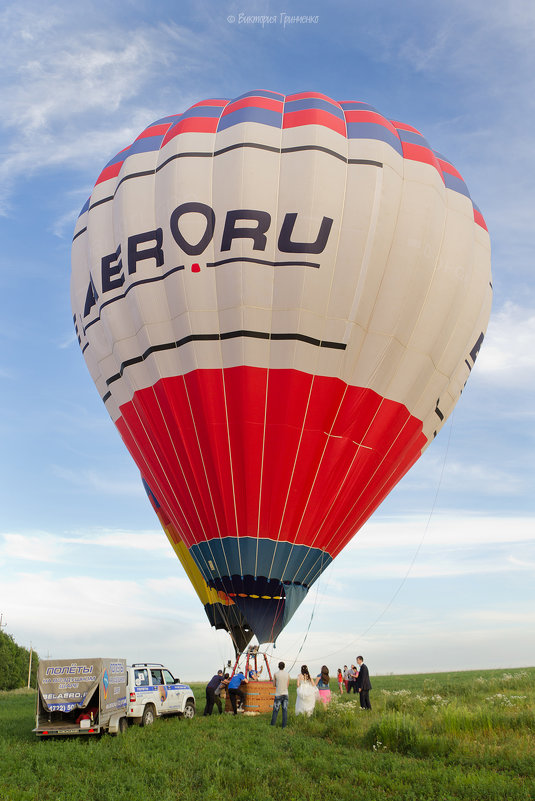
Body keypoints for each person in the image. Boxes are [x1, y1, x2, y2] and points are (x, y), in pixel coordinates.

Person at [270, 661, 290, 728]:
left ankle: (272, 724)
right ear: (284, 666)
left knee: (275, 710)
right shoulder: (287, 674)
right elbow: (287, 685)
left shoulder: (275, 674)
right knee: (284, 710)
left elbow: (273, 685)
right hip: (285, 694)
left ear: (278, 666)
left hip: (278, 694)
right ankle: (284, 726)